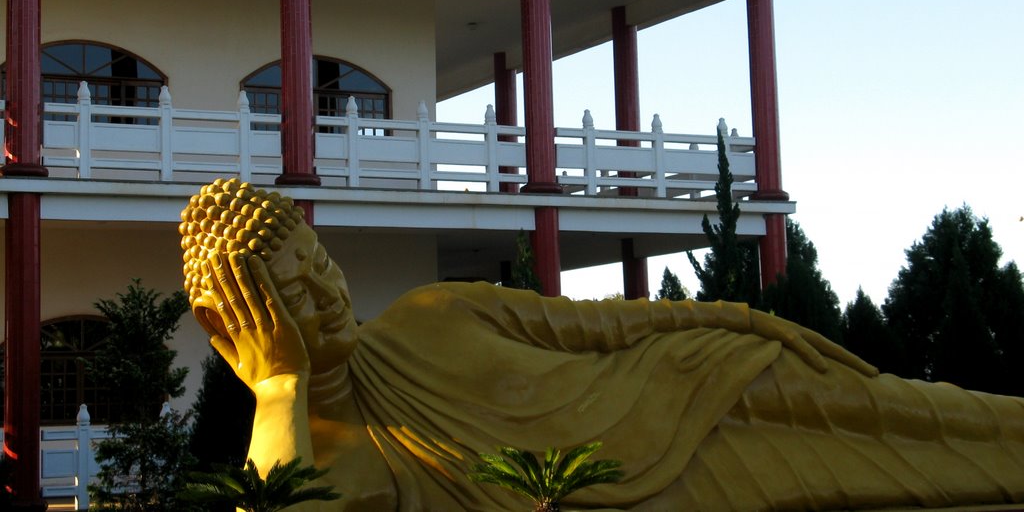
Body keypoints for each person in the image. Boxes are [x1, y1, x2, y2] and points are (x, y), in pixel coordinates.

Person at [181, 179, 1024, 511]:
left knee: (916, 411)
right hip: (695, 483)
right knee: (903, 474)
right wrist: (283, 387)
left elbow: (608, 326)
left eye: (321, 266)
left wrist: (738, 321)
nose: (327, 295)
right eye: (291, 290)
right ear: (233, 323)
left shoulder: (432, 313)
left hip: (704, 381)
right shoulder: (327, 451)